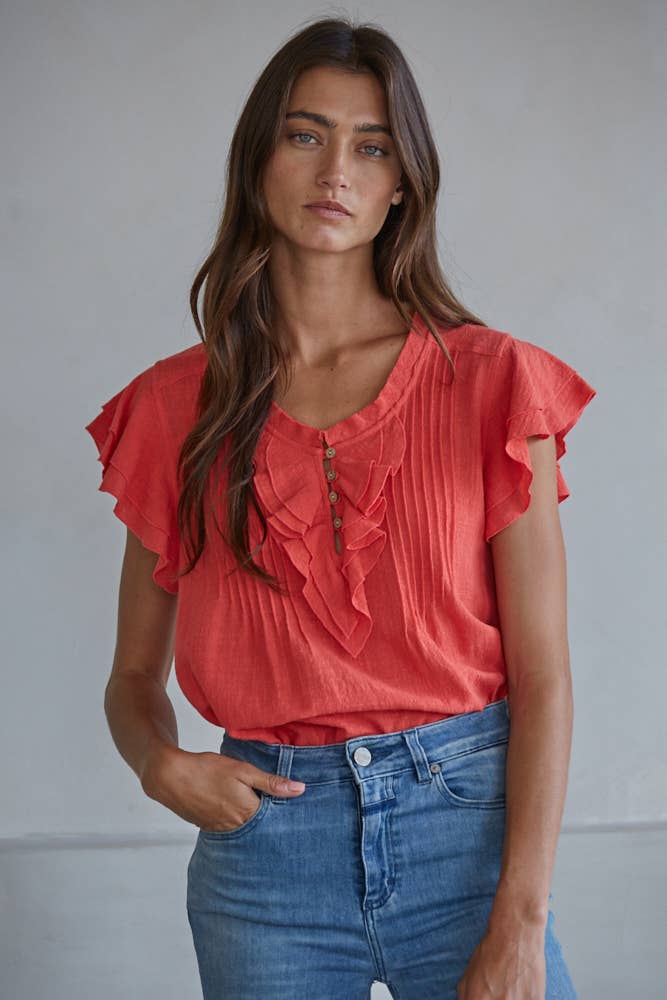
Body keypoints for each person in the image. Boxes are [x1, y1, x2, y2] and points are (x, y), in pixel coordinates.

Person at [84, 15, 596, 1000]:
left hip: (466, 832)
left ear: (404, 179)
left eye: (372, 145)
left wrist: (521, 920)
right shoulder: (170, 407)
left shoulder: (493, 382)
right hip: (263, 853)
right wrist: (158, 763)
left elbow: (544, 674)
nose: (337, 171)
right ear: (258, 159)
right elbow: (133, 671)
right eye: (305, 134)